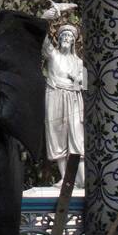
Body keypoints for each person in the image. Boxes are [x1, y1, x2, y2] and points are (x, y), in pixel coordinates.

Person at [42, 24, 85, 187]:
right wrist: (48, 17)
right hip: (54, 95)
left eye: (69, 37)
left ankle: (81, 178)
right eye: (64, 36)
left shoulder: (80, 62)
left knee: (76, 135)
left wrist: (78, 79)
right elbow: (42, 38)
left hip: (73, 98)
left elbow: (86, 84)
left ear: (74, 41)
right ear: (59, 39)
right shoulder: (53, 55)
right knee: (57, 135)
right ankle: (66, 179)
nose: (66, 39)